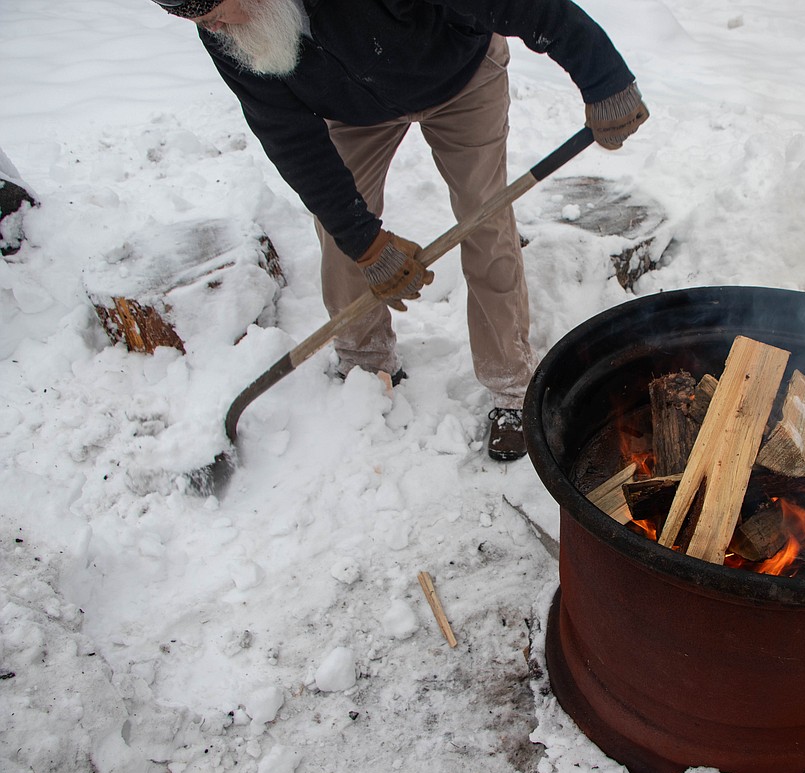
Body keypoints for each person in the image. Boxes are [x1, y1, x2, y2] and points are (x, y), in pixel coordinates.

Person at [150, 0, 648, 461]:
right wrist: (365, 243)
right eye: (193, 18)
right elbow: (289, 136)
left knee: (485, 220)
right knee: (341, 235)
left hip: (459, 76)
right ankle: (367, 366)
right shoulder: (226, 30)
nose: (210, 26)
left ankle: (511, 385)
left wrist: (601, 72)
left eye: (214, 11)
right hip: (350, 111)